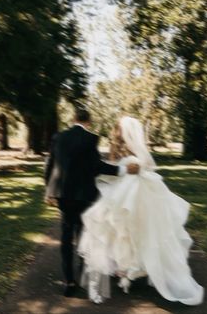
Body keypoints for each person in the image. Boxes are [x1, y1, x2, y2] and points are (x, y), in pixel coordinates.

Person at [78, 116, 204, 305]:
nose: (117, 131)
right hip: (122, 193)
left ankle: (134, 267)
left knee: (135, 230)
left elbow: (143, 167)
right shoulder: (117, 148)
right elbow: (113, 171)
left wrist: (135, 170)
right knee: (122, 231)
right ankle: (125, 267)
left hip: (135, 195)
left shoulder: (135, 154)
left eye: (119, 128)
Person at [44, 108, 139, 297]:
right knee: (82, 235)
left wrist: (48, 192)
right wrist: (122, 170)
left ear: (73, 119)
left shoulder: (58, 137)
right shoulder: (90, 139)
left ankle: (69, 282)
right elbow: (96, 167)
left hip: (63, 195)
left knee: (66, 236)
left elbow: (50, 165)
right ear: (89, 122)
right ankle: (80, 275)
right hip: (85, 195)